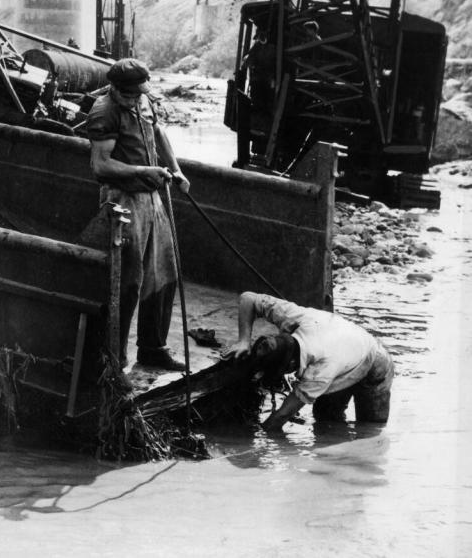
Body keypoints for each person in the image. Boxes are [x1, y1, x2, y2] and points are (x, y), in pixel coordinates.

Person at [85, 58, 190, 372]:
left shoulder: (143, 99)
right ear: (116, 89)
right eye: (130, 94)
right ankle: (114, 361)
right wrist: (145, 170)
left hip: (153, 197)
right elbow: (100, 165)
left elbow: (158, 133)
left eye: (138, 93)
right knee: (127, 282)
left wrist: (176, 170)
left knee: (164, 273)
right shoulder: (104, 111)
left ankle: (153, 348)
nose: (135, 98)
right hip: (123, 199)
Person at [220, 291, 394, 431]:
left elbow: (282, 415)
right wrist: (243, 340)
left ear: (291, 366)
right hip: (345, 350)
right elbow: (248, 298)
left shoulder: (320, 372)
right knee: (325, 421)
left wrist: (259, 438)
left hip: (374, 363)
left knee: (370, 431)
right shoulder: (297, 318)